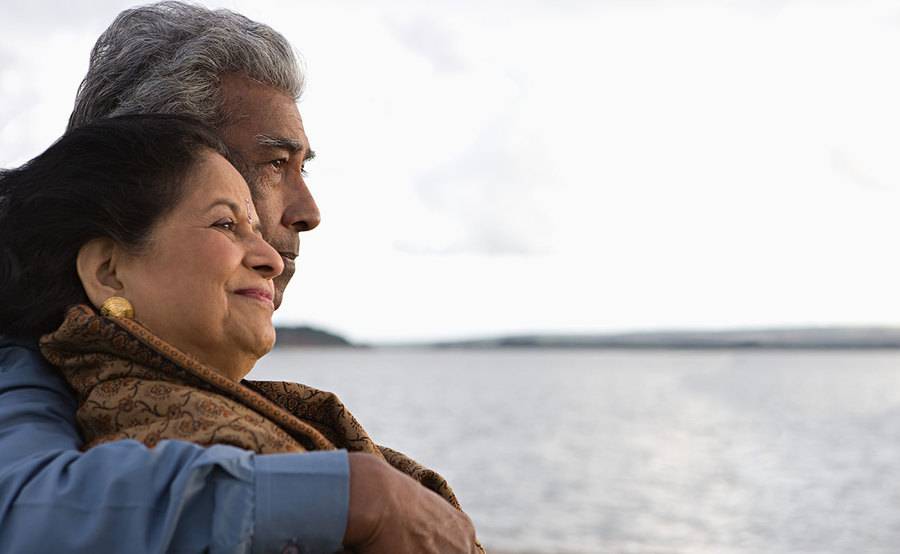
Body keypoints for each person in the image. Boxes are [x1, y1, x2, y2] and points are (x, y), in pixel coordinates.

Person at [0, 3, 479, 553]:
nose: (308, 210)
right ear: (137, 162)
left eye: (304, 167)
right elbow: (25, 509)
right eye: (274, 164)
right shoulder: (28, 367)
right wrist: (360, 496)